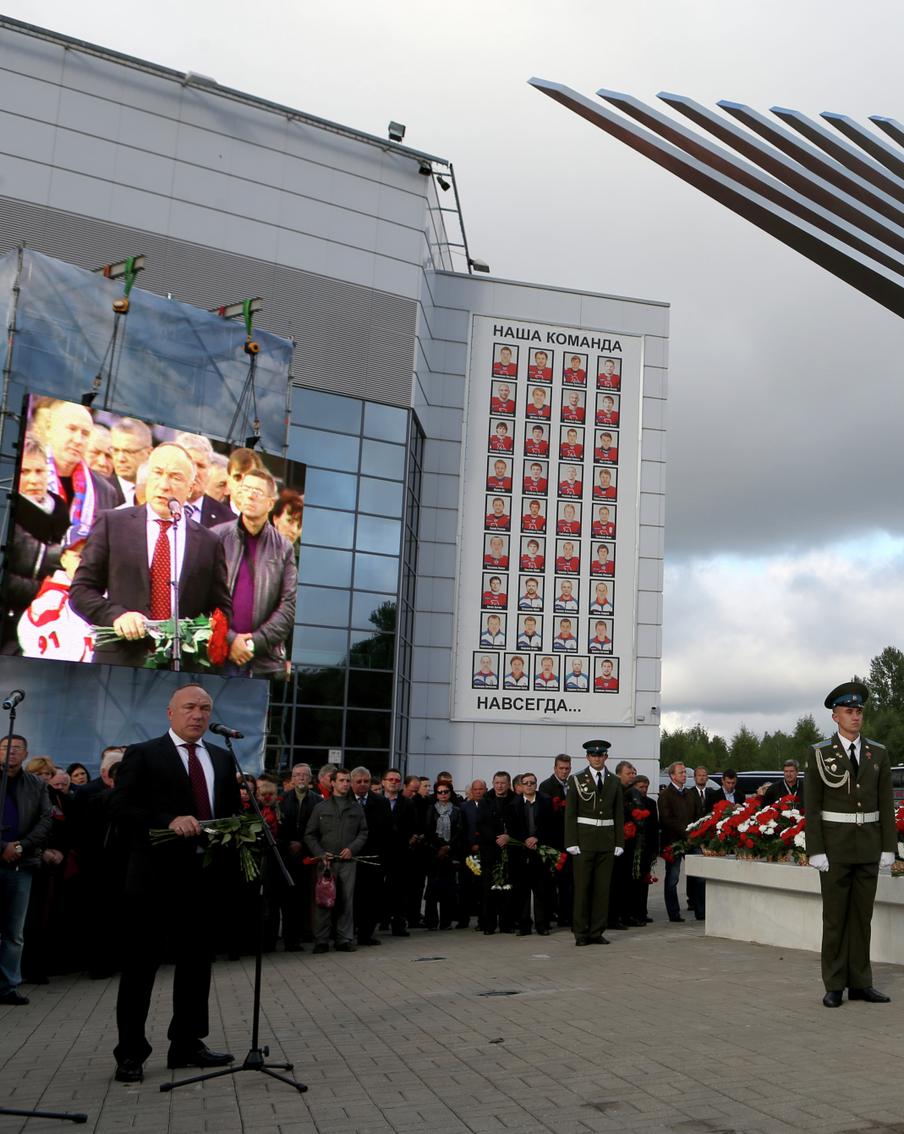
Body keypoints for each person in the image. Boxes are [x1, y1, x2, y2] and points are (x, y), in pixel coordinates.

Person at [108, 685, 240, 1081]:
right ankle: (130, 1052)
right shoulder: (144, 754)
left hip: (203, 880)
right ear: (170, 713)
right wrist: (167, 820)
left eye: (204, 708)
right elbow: (119, 806)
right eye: (189, 707)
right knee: (140, 969)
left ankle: (187, 1044)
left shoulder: (220, 756)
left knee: (197, 967)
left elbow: (228, 813)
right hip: (153, 881)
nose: (198, 715)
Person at [69, 443, 232, 668]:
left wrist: (200, 634)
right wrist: (116, 616)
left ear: (191, 486)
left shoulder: (209, 542)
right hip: (119, 661)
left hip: (181, 666)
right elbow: (80, 591)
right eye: (157, 473)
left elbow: (221, 609)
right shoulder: (112, 524)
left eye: (175, 477)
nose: (164, 485)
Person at [805, 681, 896, 1008]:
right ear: (835, 716)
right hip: (835, 849)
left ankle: (860, 982)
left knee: (862, 917)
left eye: (858, 711)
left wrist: (890, 846)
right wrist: (815, 850)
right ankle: (834, 984)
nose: (855, 717)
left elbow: (886, 803)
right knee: (835, 919)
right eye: (848, 711)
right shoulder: (819, 754)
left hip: (868, 847)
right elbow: (812, 807)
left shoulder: (879, 753)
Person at [213, 467, 296, 677]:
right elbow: (204, 597)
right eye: (245, 489)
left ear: (270, 503)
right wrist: (231, 639)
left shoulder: (283, 548)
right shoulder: (217, 537)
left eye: (257, 491)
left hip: (263, 660)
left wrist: (254, 642)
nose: (250, 495)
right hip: (220, 653)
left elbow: (288, 606)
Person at [2, 435, 71, 652]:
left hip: (49, 624)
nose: (34, 480)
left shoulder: (59, 508)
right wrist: (44, 589)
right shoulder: (6, 510)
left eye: (39, 471)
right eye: (24, 472)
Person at [0, 733, 52, 1005]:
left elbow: (46, 820)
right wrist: (2, 847)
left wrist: (19, 847)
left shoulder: (35, 785)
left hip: (23, 863)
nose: (11, 752)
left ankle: (8, 986)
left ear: (26, 753)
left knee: (14, 931)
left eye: (17, 748)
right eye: (6, 747)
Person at [565, 739, 624, 946]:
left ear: (606, 757)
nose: (597, 758)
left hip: (606, 840)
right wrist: (571, 841)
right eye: (593, 755)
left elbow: (619, 813)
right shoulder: (576, 779)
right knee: (582, 889)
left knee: (602, 889)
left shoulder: (614, 781)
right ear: (587, 757)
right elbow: (570, 813)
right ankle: (581, 932)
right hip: (584, 840)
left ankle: (597, 931)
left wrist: (619, 841)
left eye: (601, 755)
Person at [305, 767, 368, 954]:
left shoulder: (356, 808)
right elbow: (310, 835)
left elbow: (363, 832)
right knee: (323, 901)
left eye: (348, 781)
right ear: (332, 783)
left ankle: (344, 939)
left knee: (346, 901)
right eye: (342, 780)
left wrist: (352, 848)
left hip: (348, 863)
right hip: (326, 863)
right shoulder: (321, 807)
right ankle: (321, 940)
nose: (346, 784)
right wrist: (320, 853)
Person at [18, 521, 95, 662]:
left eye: (92, 556)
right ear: (64, 560)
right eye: (79, 557)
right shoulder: (49, 603)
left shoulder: (109, 598)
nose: (86, 563)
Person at [277, 763, 321, 951]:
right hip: (286, 856)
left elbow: (320, 829)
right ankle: (289, 937)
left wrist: (303, 844)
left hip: (307, 856)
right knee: (288, 899)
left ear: (310, 779)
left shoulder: (318, 801)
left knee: (304, 898)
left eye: (305, 775)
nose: (301, 778)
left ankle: (303, 934)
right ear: (292, 778)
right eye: (297, 775)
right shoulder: (281, 799)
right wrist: (288, 844)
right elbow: (277, 827)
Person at [507, 773, 554, 935]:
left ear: (536, 784)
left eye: (532, 783)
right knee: (522, 891)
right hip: (521, 852)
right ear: (520, 785)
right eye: (525, 783)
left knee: (541, 890)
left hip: (540, 852)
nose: (529, 786)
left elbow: (550, 825)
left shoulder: (545, 801)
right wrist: (525, 839)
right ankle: (524, 925)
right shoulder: (514, 804)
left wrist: (537, 838)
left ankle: (542, 925)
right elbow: (512, 828)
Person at [349, 768, 391, 947]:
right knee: (352, 897)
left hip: (374, 858)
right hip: (350, 857)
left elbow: (387, 831)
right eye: (358, 781)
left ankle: (366, 934)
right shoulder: (344, 800)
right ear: (351, 783)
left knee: (372, 898)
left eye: (365, 781)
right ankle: (349, 933)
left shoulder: (381, 802)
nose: (362, 785)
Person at [476, 772, 517, 934]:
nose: (500, 786)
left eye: (503, 783)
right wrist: (495, 838)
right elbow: (480, 824)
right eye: (497, 782)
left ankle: (507, 923)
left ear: (508, 784)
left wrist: (508, 837)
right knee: (488, 889)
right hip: (490, 851)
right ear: (493, 783)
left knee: (507, 888)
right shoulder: (485, 800)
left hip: (509, 849)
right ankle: (488, 924)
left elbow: (517, 823)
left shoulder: (515, 799)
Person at [658, 761, 696, 923]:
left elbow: (696, 814)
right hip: (673, 841)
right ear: (672, 775)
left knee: (697, 875)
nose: (684, 775)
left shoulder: (689, 793)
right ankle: (673, 913)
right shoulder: (666, 795)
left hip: (691, 840)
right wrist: (685, 832)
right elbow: (667, 819)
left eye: (685, 772)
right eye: (681, 773)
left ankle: (699, 909)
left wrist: (695, 832)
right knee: (673, 877)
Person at [423, 782, 464, 930]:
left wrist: (448, 847)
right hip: (434, 853)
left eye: (446, 791)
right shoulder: (430, 809)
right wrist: (439, 846)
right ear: (436, 794)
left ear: (450, 792)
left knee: (448, 889)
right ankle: (431, 922)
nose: (443, 794)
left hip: (450, 853)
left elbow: (459, 831)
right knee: (432, 889)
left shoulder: (457, 811)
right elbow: (428, 831)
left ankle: (446, 922)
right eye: (439, 792)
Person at [172, 432, 232, 529]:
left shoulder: (228, 520)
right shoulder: (157, 505)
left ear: (209, 470)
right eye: (190, 464)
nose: (195, 473)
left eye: (201, 466)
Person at [540, 754, 573, 927]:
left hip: (569, 840)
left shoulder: (573, 784)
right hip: (553, 840)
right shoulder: (546, 786)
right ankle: (551, 912)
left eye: (567, 768)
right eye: (561, 768)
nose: (564, 771)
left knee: (567, 881)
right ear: (555, 768)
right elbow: (545, 815)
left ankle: (565, 914)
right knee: (551, 881)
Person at [107, 417, 153, 507]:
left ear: (149, 453)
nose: (121, 459)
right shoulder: (99, 490)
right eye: (115, 450)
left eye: (129, 452)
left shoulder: (158, 492)